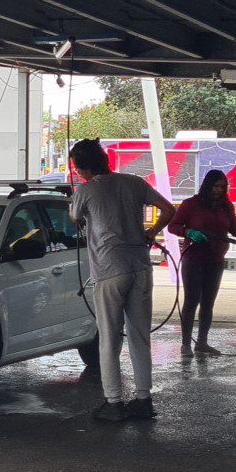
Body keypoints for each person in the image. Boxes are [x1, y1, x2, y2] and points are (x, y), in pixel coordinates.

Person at [66, 139, 174, 422]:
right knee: (140, 337)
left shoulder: (85, 190)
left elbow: (74, 218)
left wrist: (76, 205)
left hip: (109, 270)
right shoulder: (134, 182)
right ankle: (143, 400)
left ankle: (113, 402)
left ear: (82, 167)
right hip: (140, 267)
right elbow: (169, 209)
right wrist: (151, 234)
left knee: (109, 339)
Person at [167, 169, 236, 357]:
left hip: (215, 261)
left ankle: (202, 342)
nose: (218, 190)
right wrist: (189, 232)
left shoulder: (225, 206)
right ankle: (185, 344)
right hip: (193, 260)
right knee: (191, 301)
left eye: (222, 187)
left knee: (208, 303)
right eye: (216, 186)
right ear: (207, 185)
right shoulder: (190, 204)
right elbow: (173, 226)